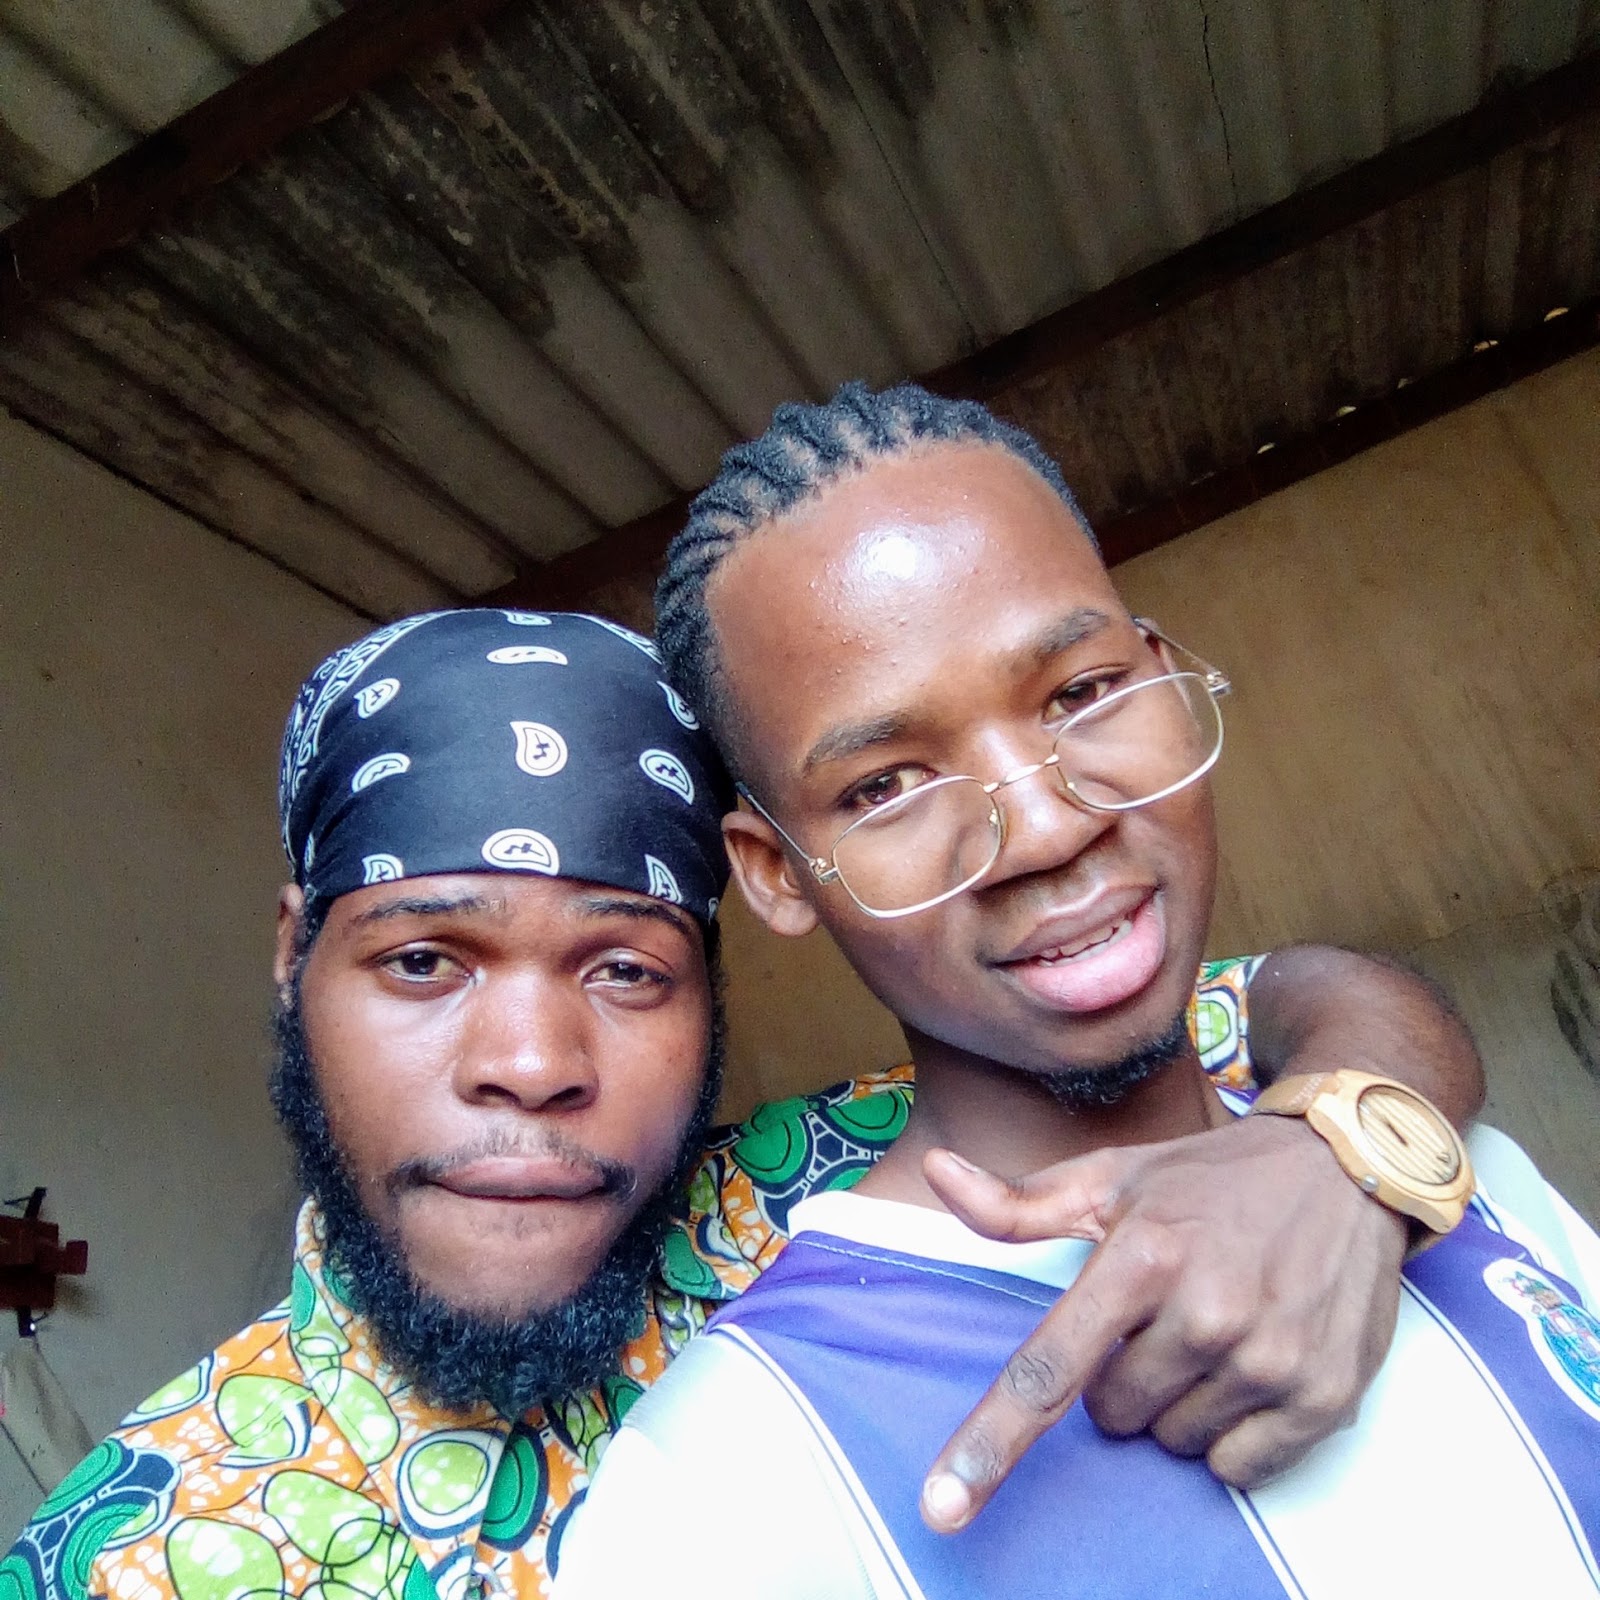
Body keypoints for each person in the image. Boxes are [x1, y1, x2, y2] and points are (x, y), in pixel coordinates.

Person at [2, 606, 1484, 1600]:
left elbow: (1300, 993)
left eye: (626, 969)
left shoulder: (841, 1195)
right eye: (424, 961)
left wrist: (1337, 1147)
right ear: (294, 960)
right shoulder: (138, 1550)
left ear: (713, 992)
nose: (531, 1060)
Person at [556, 383, 1600, 1597]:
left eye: (1081, 692)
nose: (1048, 827)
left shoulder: (1443, 1170)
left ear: (1160, 672)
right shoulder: (724, 1490)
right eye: (887, 784)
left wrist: (1351, 1156)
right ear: (779, 872)